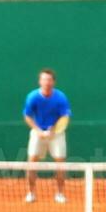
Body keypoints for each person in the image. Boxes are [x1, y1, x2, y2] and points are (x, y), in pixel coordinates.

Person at [23, 68, 71, 204]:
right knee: (32, 162)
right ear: (40, 81)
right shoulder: (32, 97)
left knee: (60, 164)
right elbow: (27, 116)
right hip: (38, 133)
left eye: (49, 80)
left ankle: (60, 194)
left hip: (56, 134)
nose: (47, 82)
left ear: (53, 82)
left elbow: (65, 117)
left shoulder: (60, 97)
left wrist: (53, 130)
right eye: (44, 79)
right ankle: (31, 193)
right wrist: (38, 130)